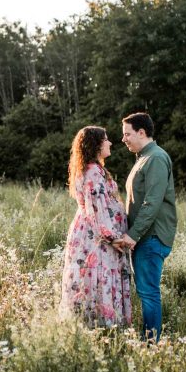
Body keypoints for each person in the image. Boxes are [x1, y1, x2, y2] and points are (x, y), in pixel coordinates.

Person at [113, 112, 177, 342]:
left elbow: (152, 202)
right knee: (145, 292)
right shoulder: (144, 158)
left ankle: (151, 345)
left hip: (151, 237)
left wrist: (133, 235)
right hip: (144, 237)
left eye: (127, 134)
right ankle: (149, 342)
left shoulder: (156, 158)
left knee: (149, 294)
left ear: (142, 133)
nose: (123, 139)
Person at [60, 125, 133, 327]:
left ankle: (97, 327)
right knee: (97, 278)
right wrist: (113, 238)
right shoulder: (92, 172)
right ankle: (101, 328)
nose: (110, 142)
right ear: (96, 145)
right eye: (106, 139)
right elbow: (97, 210)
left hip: (94, 234)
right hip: (97, 239)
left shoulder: (94, 169)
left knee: (94, 280)